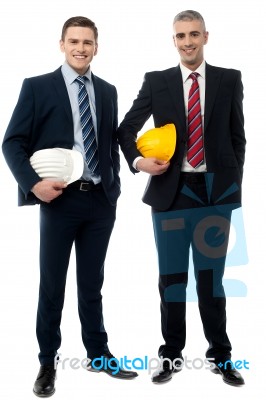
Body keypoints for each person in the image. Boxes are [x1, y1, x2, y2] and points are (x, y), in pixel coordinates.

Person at [2, 16, 137, 398]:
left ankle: (98, 354)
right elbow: (12, 143)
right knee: (52, 285)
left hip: (100, 201)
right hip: (59, 200)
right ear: (61, 44)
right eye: (74, 41)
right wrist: (33, 185)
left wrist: (115, 184)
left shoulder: (108, 90)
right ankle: (47, 361)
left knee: (92, 283)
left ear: (97, 46)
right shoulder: (37, 87)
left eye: (88, 42)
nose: (81, 48)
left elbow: (110, 141)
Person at [117, 10, 246, 386]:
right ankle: (171, 355)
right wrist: (140, 161)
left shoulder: (228, 79)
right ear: (173, 40)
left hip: (213, 196)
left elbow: (238, 138)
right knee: (172, 280)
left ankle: (220, 355)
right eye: (180, 36)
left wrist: (231, 188)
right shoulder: (157, 82)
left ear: (206, 36)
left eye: (193, 34)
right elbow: (126, 128)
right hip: (171, 195)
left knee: (212, 280)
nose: (187, 42)